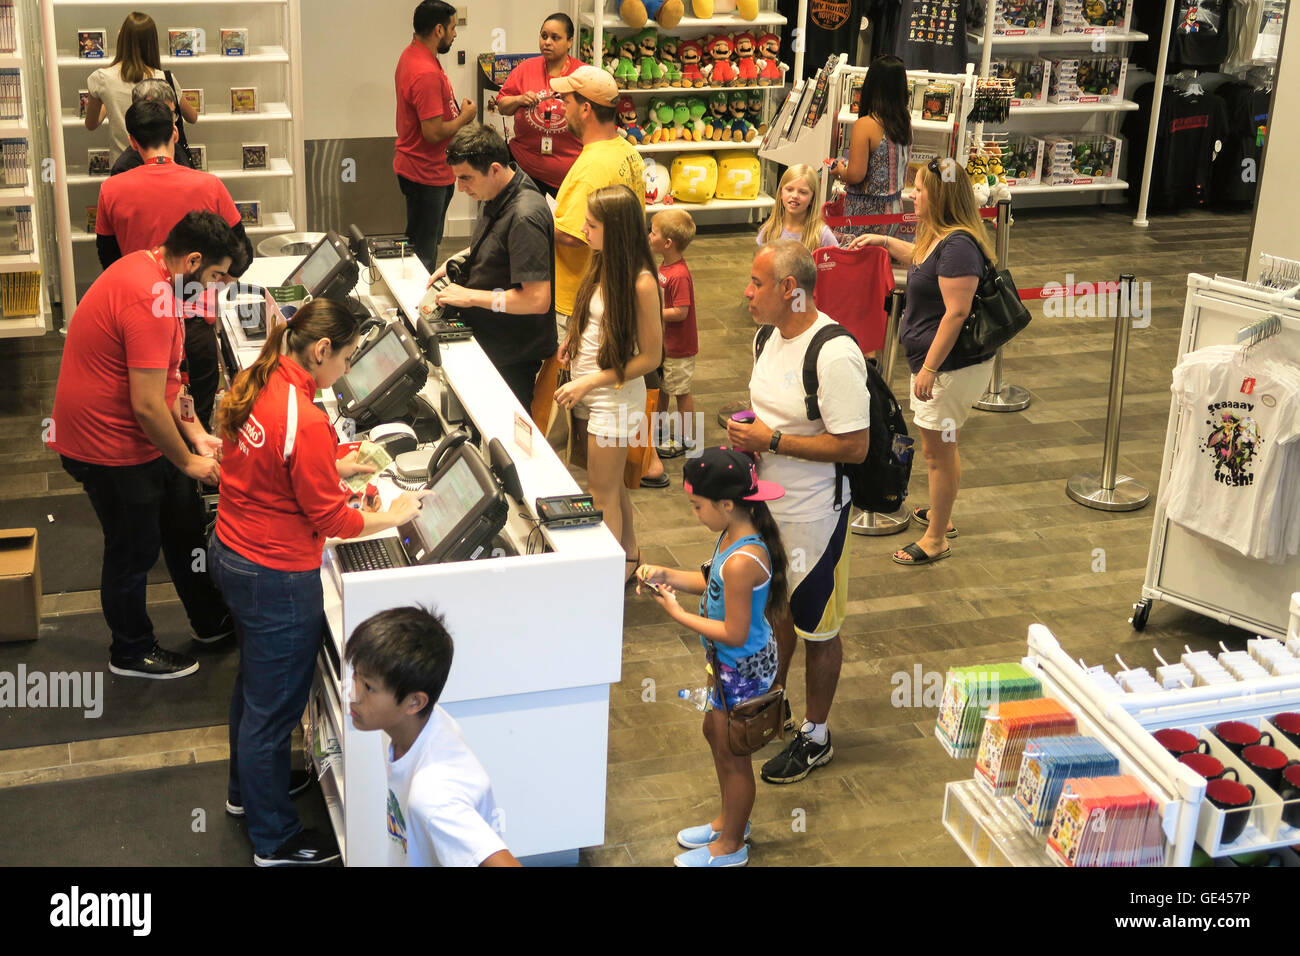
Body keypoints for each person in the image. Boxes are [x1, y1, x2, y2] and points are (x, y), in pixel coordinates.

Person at [210, 299, 425, 867]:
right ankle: (273, 840)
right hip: (274, 574)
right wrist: (396, 516)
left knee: (254, 690)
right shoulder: (304, 418)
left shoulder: (259, 380)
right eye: (348, 357)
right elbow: (333, 522)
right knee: (274, 710)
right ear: (322, 350)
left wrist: (331, 464)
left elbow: (271, 469)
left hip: (232, 551)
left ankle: (244, 794)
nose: (348, 370)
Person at [47, 211, 242, 679]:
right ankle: (131, 650)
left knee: (182, 519)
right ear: (193, 260)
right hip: (104, 445)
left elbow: (171, 379)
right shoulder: (150, 297)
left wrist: (195, 433)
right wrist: (191, 463)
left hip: (127, 430)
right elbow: (148, 407)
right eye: (215, 277)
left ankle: (211, 621)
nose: (216, 289)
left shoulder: (154, 270)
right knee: (133, 547)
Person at [725, 241, 870, 785]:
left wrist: (775, 440)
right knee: (776, 612)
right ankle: (775, 701)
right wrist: (752, 439)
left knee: (818, 629)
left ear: (791, 289)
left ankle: (817, 735)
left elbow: (854, 446)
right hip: (768, 510)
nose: (746, 292)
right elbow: (771, 415)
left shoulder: (834, 354)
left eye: (756, 283)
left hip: (818, 516)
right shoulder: (766, 338)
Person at [636, 447, 789, 867]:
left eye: (696, 506)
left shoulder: (744, 561)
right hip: (725, 666)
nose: (694, 514)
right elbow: (711, 584)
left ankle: (732, 845)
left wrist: (678, 615)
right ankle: (728, 820)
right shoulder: (731, 536)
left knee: (732, 754)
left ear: (726, 504)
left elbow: (734, 631)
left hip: (740, 669)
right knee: (713, 733)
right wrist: (665, 574)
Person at [849, 158, 996, 566]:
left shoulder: (959, 248)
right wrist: (882, 241)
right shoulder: (945, 240)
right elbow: (923, 259)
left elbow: (956, 312)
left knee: (937, 453)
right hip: (941, 365)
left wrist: (929, 368)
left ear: (940, 194)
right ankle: (940, 513)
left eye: (919, 188)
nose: (912, 195)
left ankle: (935, 538)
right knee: (944, 448)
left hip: (948, 368)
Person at [95, 100, 254, 431]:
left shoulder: (111, 190)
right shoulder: (209, 185)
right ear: (175, 133)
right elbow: (242, 256)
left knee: (150, 422)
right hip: (195, 326)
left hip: (137, 326)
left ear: (132, 141)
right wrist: (210, 283)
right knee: (199, 424)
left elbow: (109, 263)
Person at [548, 66, 667, 486]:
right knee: (614, 482)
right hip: (599, 303)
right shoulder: (628, 152)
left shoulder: (590, 168)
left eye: (566, 100)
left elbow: (568, 237)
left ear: (584, 108)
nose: (560, 107)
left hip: (584, 304)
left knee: (604, 488)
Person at [346, 606, 522, 867]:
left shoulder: (434, 798)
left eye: (369, 688)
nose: (353, 695)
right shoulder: (410, 726)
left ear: (414, 702)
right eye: (356, 676)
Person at [552, 185, 663, 583]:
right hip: (589, 391)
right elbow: (596, 320)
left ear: (615, 229)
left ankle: (604, 582)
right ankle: (628, 555)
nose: (583, 229)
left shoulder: (642, 283)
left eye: (592, 224)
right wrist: (571, 341)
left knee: (600, 494)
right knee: (610, 484)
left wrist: (590, 382)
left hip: (612, 400)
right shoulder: (602, 262)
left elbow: (652, 357)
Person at [427, 123, 554, 411]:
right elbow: (502, 242)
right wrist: (460, 256)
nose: (460, 187)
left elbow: (536, 300)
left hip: (512, 354)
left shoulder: (525, 216)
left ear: (495, 168)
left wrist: (470, 297)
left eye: (466, 178)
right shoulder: (496, 191)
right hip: (491, 337)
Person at [394, 0, 477, 271]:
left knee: (421, 242)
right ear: (439, 30)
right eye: (453, 28)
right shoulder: (426, 71)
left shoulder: (412, 54)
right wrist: (465, 117)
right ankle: (419, 307)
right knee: (424, 254)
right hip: (425, 173)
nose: (455, 34)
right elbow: (432, 132)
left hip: (423, 169)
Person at [84, 12, 198, 163]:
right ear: (152, 42)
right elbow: (192, 117)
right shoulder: (164, 78)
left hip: (123, 165)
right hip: (160, 165)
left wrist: (108, 100)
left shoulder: (101, 78)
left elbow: (91, 124)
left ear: (122, 39)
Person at [494, 13, 583, 198]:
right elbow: (502, 105)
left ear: (570, 42)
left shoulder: (582, 74)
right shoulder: (525, 68)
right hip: (525, 172)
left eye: (555, 37)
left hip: (570, 177)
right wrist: (518, 100)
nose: (547, 42)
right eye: (544, 36)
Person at [828, 55, 912, 243]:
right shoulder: (904, 123)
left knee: (854, 265)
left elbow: (856, 175)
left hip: (866, 214)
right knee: (878, 263)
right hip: (894, 210)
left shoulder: (865, 124)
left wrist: (839, 170)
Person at [648, 208, 699, 458]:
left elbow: (681, 311)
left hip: (679, 348)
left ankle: (686, 438)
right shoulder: (666, 267)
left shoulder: (678, 275)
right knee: (664, 390)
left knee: (679, 392)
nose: (649, 235)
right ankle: (659, 430)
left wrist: (653, 312)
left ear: (667, 243)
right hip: (666, 344)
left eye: (653, 232)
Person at [109, 78, 195, 174]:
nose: (167, 120)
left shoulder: (177, 150)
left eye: (170, 114)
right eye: (159, 113)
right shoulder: (124, 167)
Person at [756, 164, 838, 253]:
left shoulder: (822, 235)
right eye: (789, 189)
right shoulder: (769, 231)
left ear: (812, 199)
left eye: (803, 192)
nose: (795, 196)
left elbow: (838, 263)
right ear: (780, 193)